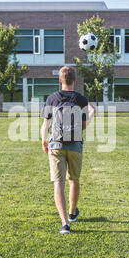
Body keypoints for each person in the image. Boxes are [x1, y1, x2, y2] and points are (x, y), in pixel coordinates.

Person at [40, 66, 96, 234]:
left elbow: (45, 124)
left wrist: (44, 141)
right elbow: (84, 126)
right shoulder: (81, 99)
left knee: (59, 182)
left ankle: (65, 224)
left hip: (56, 144)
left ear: (60, 80)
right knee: (74, 179)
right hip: (75, 145)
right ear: (75, 80)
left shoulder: (52, 98)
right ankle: (72, 213)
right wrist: (92, 113)